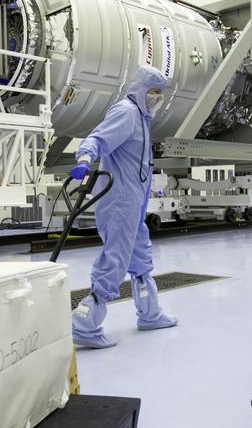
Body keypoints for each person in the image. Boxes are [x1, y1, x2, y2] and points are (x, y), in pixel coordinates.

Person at [68, 64, 177, 348]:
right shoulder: (126, 113)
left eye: (159, 94)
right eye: (153, 92)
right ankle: (84, 324)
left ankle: (150, 314)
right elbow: (97, 138)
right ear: (140, 90)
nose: (157, 98)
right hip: (119, 202)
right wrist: (84, 158)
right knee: (115, 260)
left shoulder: (142, 118)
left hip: (134, 203)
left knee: (140, 256)